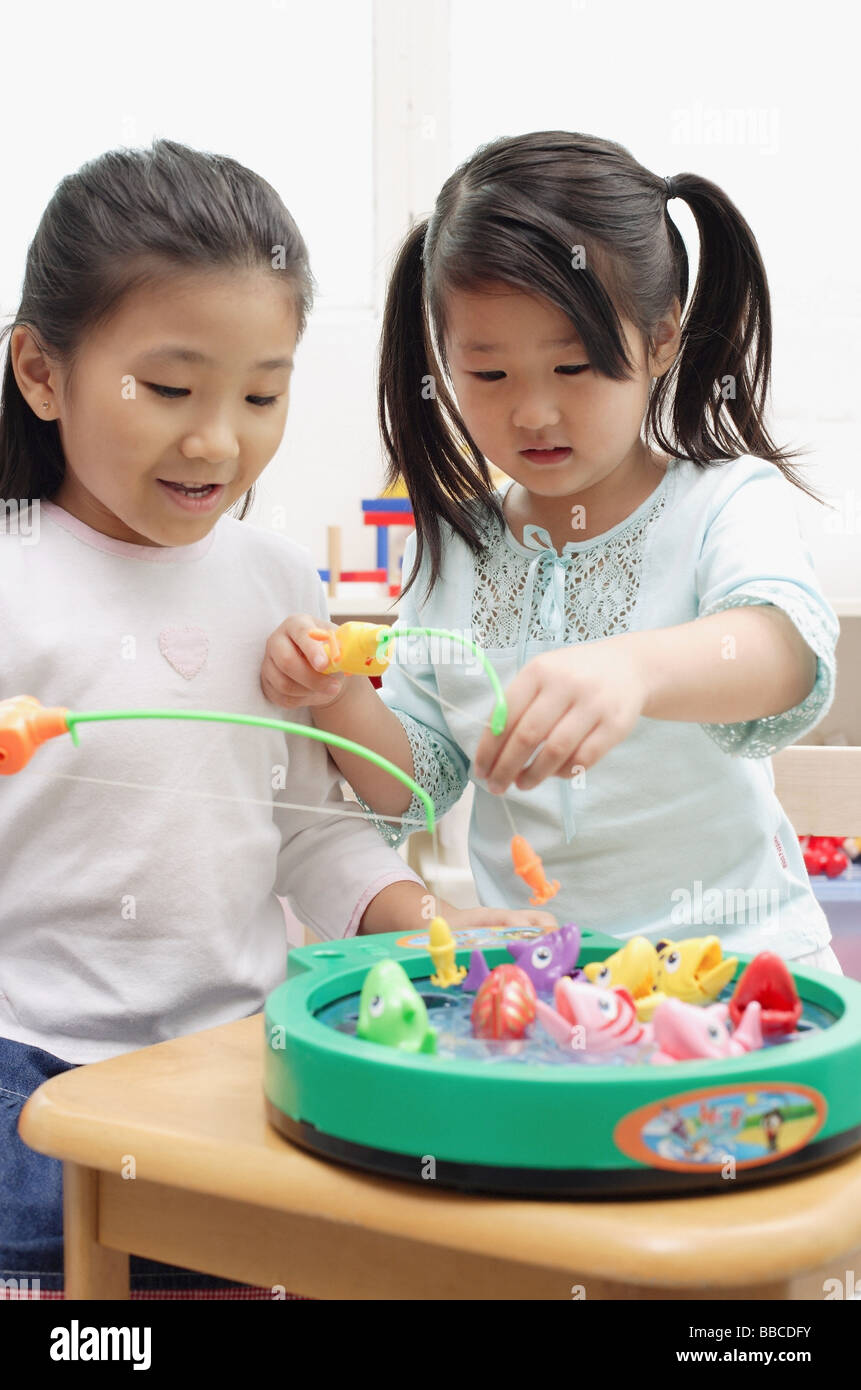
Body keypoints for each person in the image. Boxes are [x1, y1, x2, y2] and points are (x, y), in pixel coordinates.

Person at [0, 139, 548, 1300]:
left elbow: (307, 826)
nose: (218, 440)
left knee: (308, 1223)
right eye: (168, 388)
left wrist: (423, 920)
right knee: (84, 1245)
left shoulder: (278, 580)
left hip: (236, 1049)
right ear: (41, 375)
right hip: (27, 1065)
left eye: (262, 393)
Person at [261, 129, 842, 981]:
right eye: (488, 376)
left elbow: (784, 651)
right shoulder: (455, 546)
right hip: (545, 990)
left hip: (743, 977)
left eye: (572, 367)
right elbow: (416, 784)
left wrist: (632, 670)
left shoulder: (722, 501)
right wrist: (339, 696)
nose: (532, 413)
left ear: (660, 341)